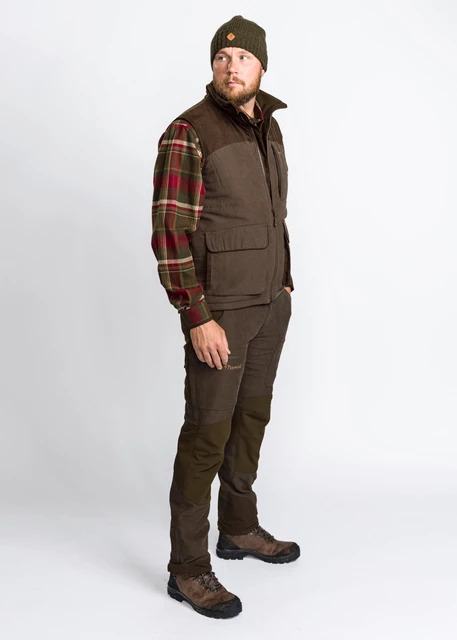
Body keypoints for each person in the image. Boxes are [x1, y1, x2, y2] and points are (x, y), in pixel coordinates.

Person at [150, 14, 300, 619]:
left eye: (242, 58)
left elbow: (273, 213)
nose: (230, 67)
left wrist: (284, 280)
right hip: (220, 313)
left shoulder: (270, 127)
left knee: (251, 419)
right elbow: (170, 233)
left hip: (269, 305)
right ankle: (187, 568)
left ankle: (238, 528)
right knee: (206, 434)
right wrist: (196, 315)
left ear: (262, 65)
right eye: (221, 58)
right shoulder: (189, 132)